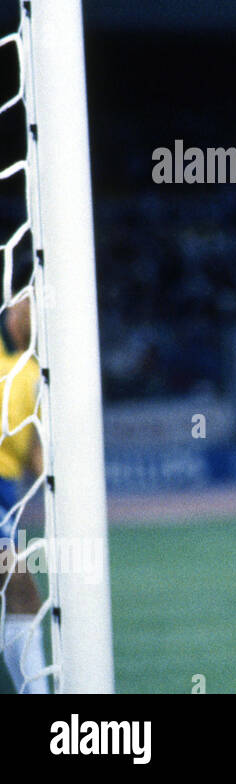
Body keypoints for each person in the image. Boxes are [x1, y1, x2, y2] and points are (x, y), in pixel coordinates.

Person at [0, 293, 48, 694]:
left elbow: (35, 452)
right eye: (25, 305)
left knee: (19, 594)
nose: (31, 311)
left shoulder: (32, 373)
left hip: (7, 498)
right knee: (21, 591)